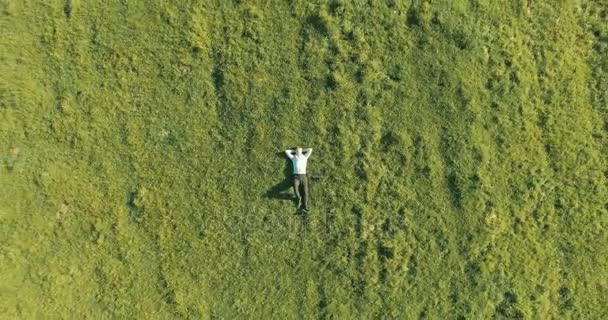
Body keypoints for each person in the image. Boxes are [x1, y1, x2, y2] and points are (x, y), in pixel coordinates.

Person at [285, 146, 312, 211]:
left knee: (305, 192)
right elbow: (286, 151)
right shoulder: (293, 157)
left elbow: (310, 149)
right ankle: (299, 198)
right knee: (295, 187)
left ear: (301, 151)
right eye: (297, 151)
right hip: (296, 176)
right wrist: (294, 151)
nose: (298, 152)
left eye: (299, 151)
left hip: (303, 176)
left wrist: (302, 150)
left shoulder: (305, 157)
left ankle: (305, 206)